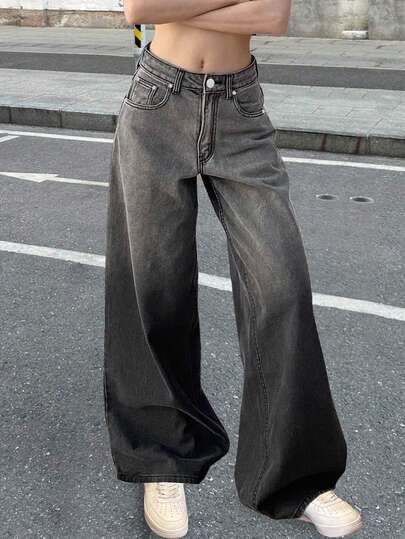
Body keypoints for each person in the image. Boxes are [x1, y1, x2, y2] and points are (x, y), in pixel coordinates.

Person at [103, 1, 363, 537]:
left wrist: (181, 9)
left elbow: (272, 17)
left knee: (282, 286)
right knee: (155, 287)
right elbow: (140, 7)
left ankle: (297, 480)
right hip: (157, 100)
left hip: (240, 110)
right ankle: (162, 460)